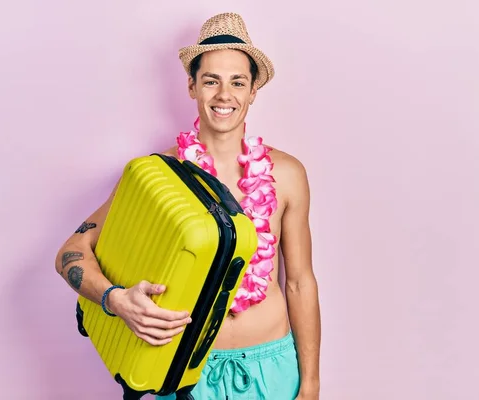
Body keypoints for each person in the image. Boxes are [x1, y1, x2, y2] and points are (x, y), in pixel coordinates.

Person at [55, 12, 321, 400]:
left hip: (272, 369)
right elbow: (70, 252)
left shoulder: (288, 173)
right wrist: (116, 300)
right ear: (192, 86)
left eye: (237, 82)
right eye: (211, 80)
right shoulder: (156, 179)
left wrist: (310, 384)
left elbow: (298, 281)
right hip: (183, 372)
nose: (224, 94)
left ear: (252, 92)